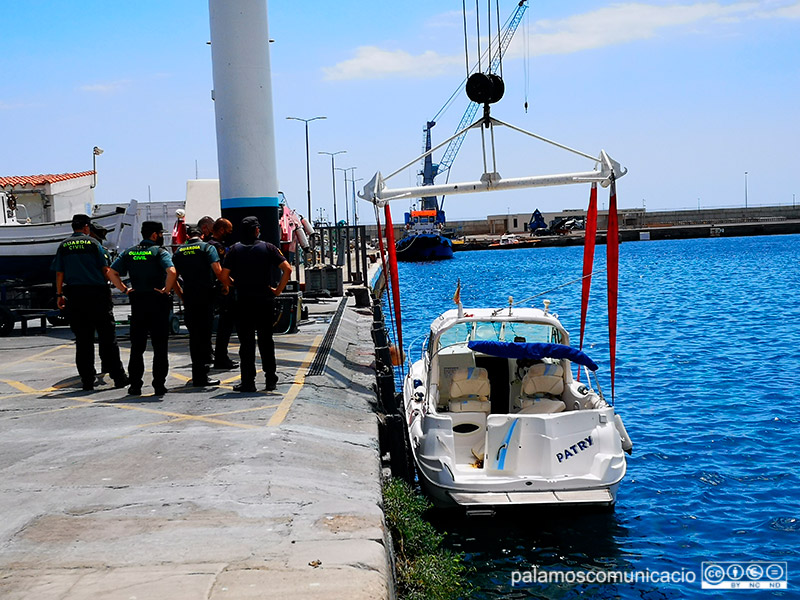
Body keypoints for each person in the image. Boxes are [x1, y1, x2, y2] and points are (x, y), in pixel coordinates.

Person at [51, 214, 128, 391]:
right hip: (97, 295)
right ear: (87, 227)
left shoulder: (64, 246)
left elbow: (59, 273)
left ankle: (87, 380)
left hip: (75, 296)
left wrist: (59, 294)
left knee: (83, 341)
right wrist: (121, 287)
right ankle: (119, 377)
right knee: (108, 339)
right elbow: (106, 269)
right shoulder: (94, 244)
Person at [221, 216, 292, 392]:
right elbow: (287, 269)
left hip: (243, 301)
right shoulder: (268, 248)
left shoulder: (234, 250)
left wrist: (234, 284)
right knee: (266, 341)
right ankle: (270, 380)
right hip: (265, 300)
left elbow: (223, 276)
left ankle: (248, 382)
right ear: (256, 230)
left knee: (246, 343)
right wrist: (278, 290)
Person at [108, 221, 177, 396]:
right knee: (160, 347)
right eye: (160, 234)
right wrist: (166, 290)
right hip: (157, 302)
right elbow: (172, 272)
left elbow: (111, 272)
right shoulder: (159, 252)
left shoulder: (130, 252)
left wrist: (125, 289)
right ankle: (159, 385)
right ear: (155, 235)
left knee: (137, 347)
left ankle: (135, 385)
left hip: (138, 302)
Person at [173, 226, 227, 387]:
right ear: (202, 235)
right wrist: (226, 285)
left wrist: (181, 294)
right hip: (206, 296)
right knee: (204, 336)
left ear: (188, 236)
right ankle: (201, 376)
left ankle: (197, 373)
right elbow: (217, 271)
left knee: (194, 336)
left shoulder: (179, 251)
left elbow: (172, 276)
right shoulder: (207, 248)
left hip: (189, 296)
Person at [208, 218, 237, 370]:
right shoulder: (217, 247)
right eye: (229, 231)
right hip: (221, 290)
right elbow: (220, 270)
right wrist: (227, 284)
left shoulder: (206, 245)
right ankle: (221, 357)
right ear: (221, 230)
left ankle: (213, 356)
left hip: (208, 290)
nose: (230, 234)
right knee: (225, 326)